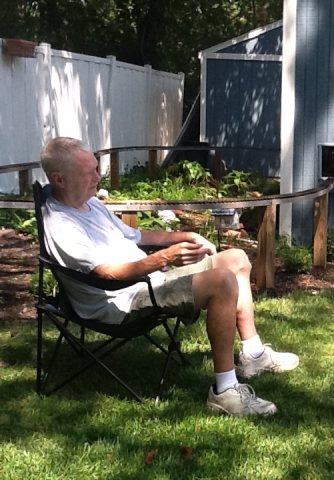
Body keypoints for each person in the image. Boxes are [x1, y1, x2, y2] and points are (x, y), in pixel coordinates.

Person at [39, 137, 299, 415]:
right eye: (87, 172)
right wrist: (165, 258)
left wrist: (186, 235)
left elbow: (137, 235)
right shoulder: (61, 224)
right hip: (122, 301)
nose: (97, 177)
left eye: (96, 167)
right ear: (60, 179)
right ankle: (225, 391)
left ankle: (253, 354)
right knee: (222, 281)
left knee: (236, 259)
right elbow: (109, 275)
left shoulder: (91, 205)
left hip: (148, 283)